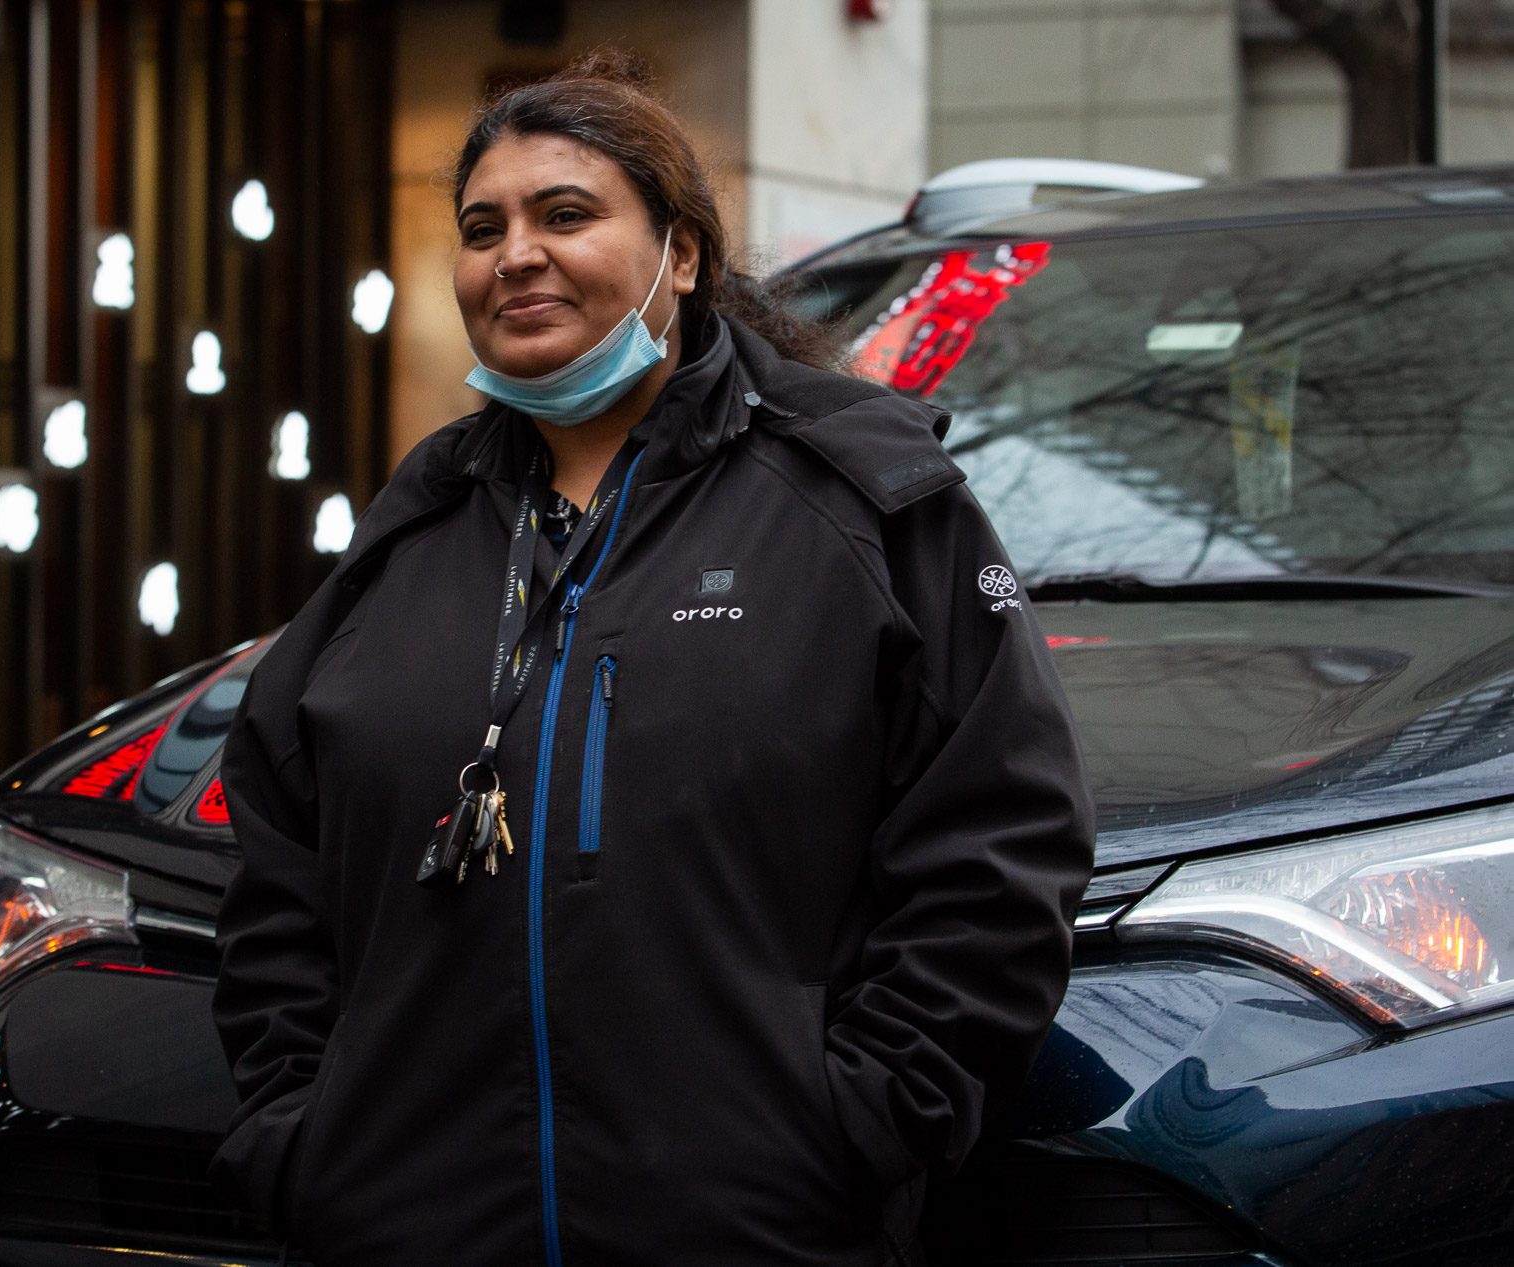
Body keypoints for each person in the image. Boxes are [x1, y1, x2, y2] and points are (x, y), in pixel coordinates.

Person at [210, 51, 1095, 1267]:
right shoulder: (412, 529)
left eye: (565, 213)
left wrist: (863, 1122)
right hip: (405, 1224)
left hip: (756, 1228)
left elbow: (1000, 839)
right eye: (483, 227)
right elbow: (276, 855)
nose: (515, 251)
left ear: (680, 255)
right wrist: (302, 1135)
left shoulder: (859, 503)